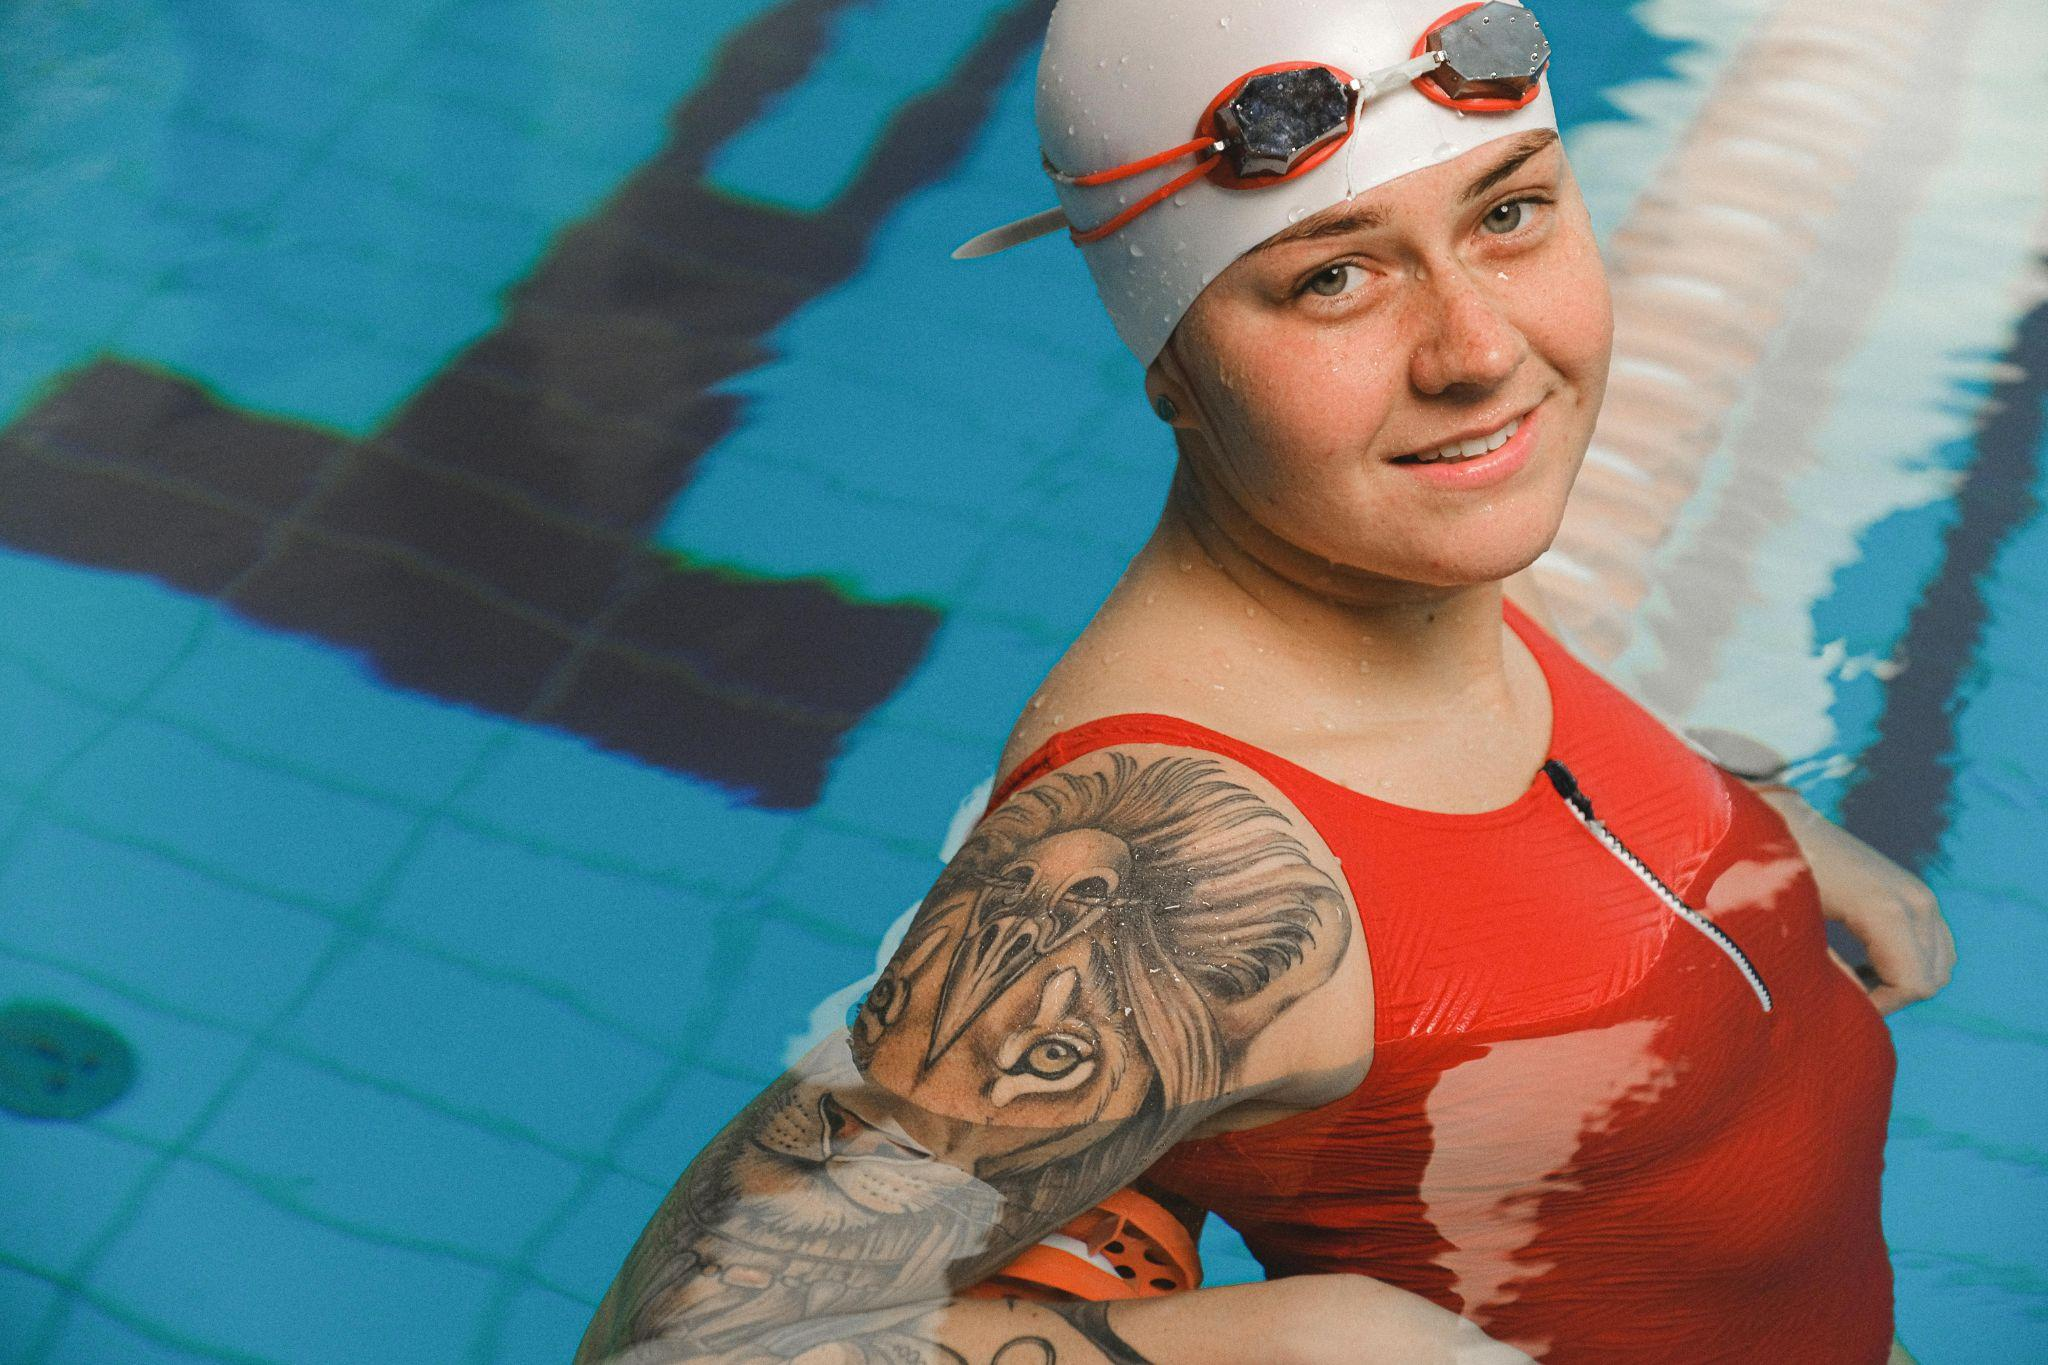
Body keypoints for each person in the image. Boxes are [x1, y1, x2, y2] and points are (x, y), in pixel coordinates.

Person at [574, 1, 1955, 1360]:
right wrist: (1296, 1342)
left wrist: (1751, 834)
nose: (1478, 353)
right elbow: (686, 1350)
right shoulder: (1180, 866)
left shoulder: (1398, 551)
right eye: (1331, 279)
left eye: (1508, 212)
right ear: (1172, 366)